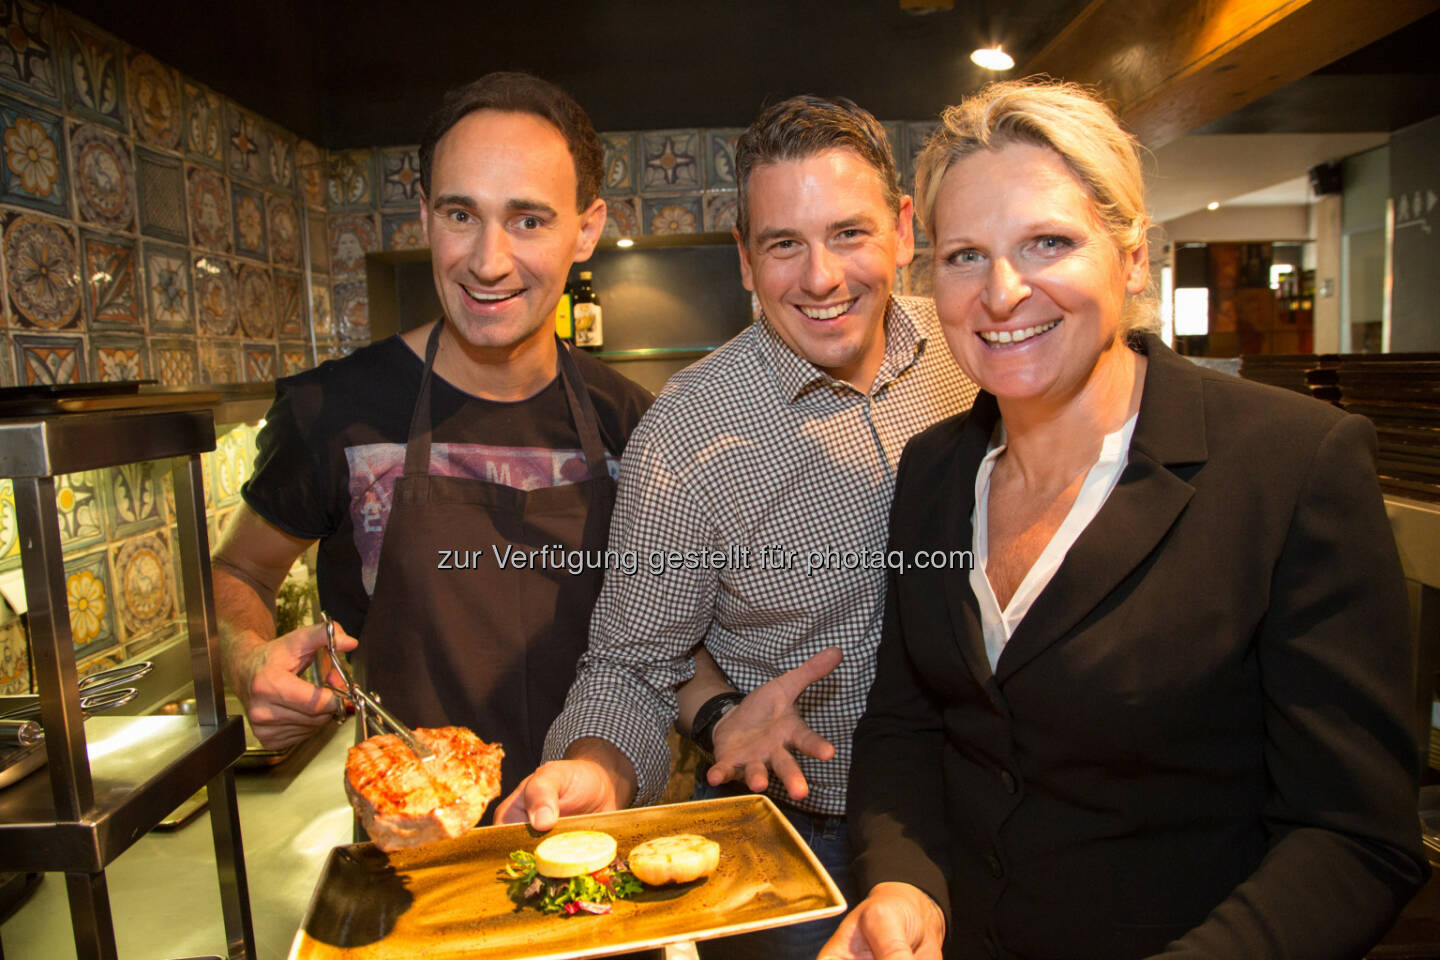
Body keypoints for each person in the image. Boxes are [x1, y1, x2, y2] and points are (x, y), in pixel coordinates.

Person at [823, 79, 1427, 960]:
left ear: (1133, 257)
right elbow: (908, 723)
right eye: (964, 256)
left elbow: (1354, 838)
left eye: (1049, 243)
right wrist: (903, 882)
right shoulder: (935, 471)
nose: (1001, 293)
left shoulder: (1293, 466)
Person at [496, 94, 978, 957]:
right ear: (745, 262)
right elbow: (633, 662)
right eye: (784, 244)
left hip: (982, 812)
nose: (821, 277)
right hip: (791, 841)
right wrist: (596, 767)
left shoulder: (973, 360)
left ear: (905, 229)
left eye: (849, 234)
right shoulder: (686, 436)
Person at [214, 72, 652, 802]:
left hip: (593, 840)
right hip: (410, 841)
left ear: (587, 228)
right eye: (460, 214)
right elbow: (239, 574)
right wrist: (248, 659)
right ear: (423, 216)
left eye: (529, 220)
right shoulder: (332, 410)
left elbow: (671, 636)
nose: (488, 261)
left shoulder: (633, 426)